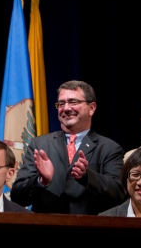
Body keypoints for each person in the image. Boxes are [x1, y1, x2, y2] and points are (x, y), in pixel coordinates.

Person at [10, 80, 126, 215]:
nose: (66, 108)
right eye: (61, 103)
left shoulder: (109, 148)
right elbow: (17, 197)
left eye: (73, 102)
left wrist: (87, 177)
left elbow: (119, 194)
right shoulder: (39, 145)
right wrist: (41, 181)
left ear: (92, 108)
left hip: (92, 231)